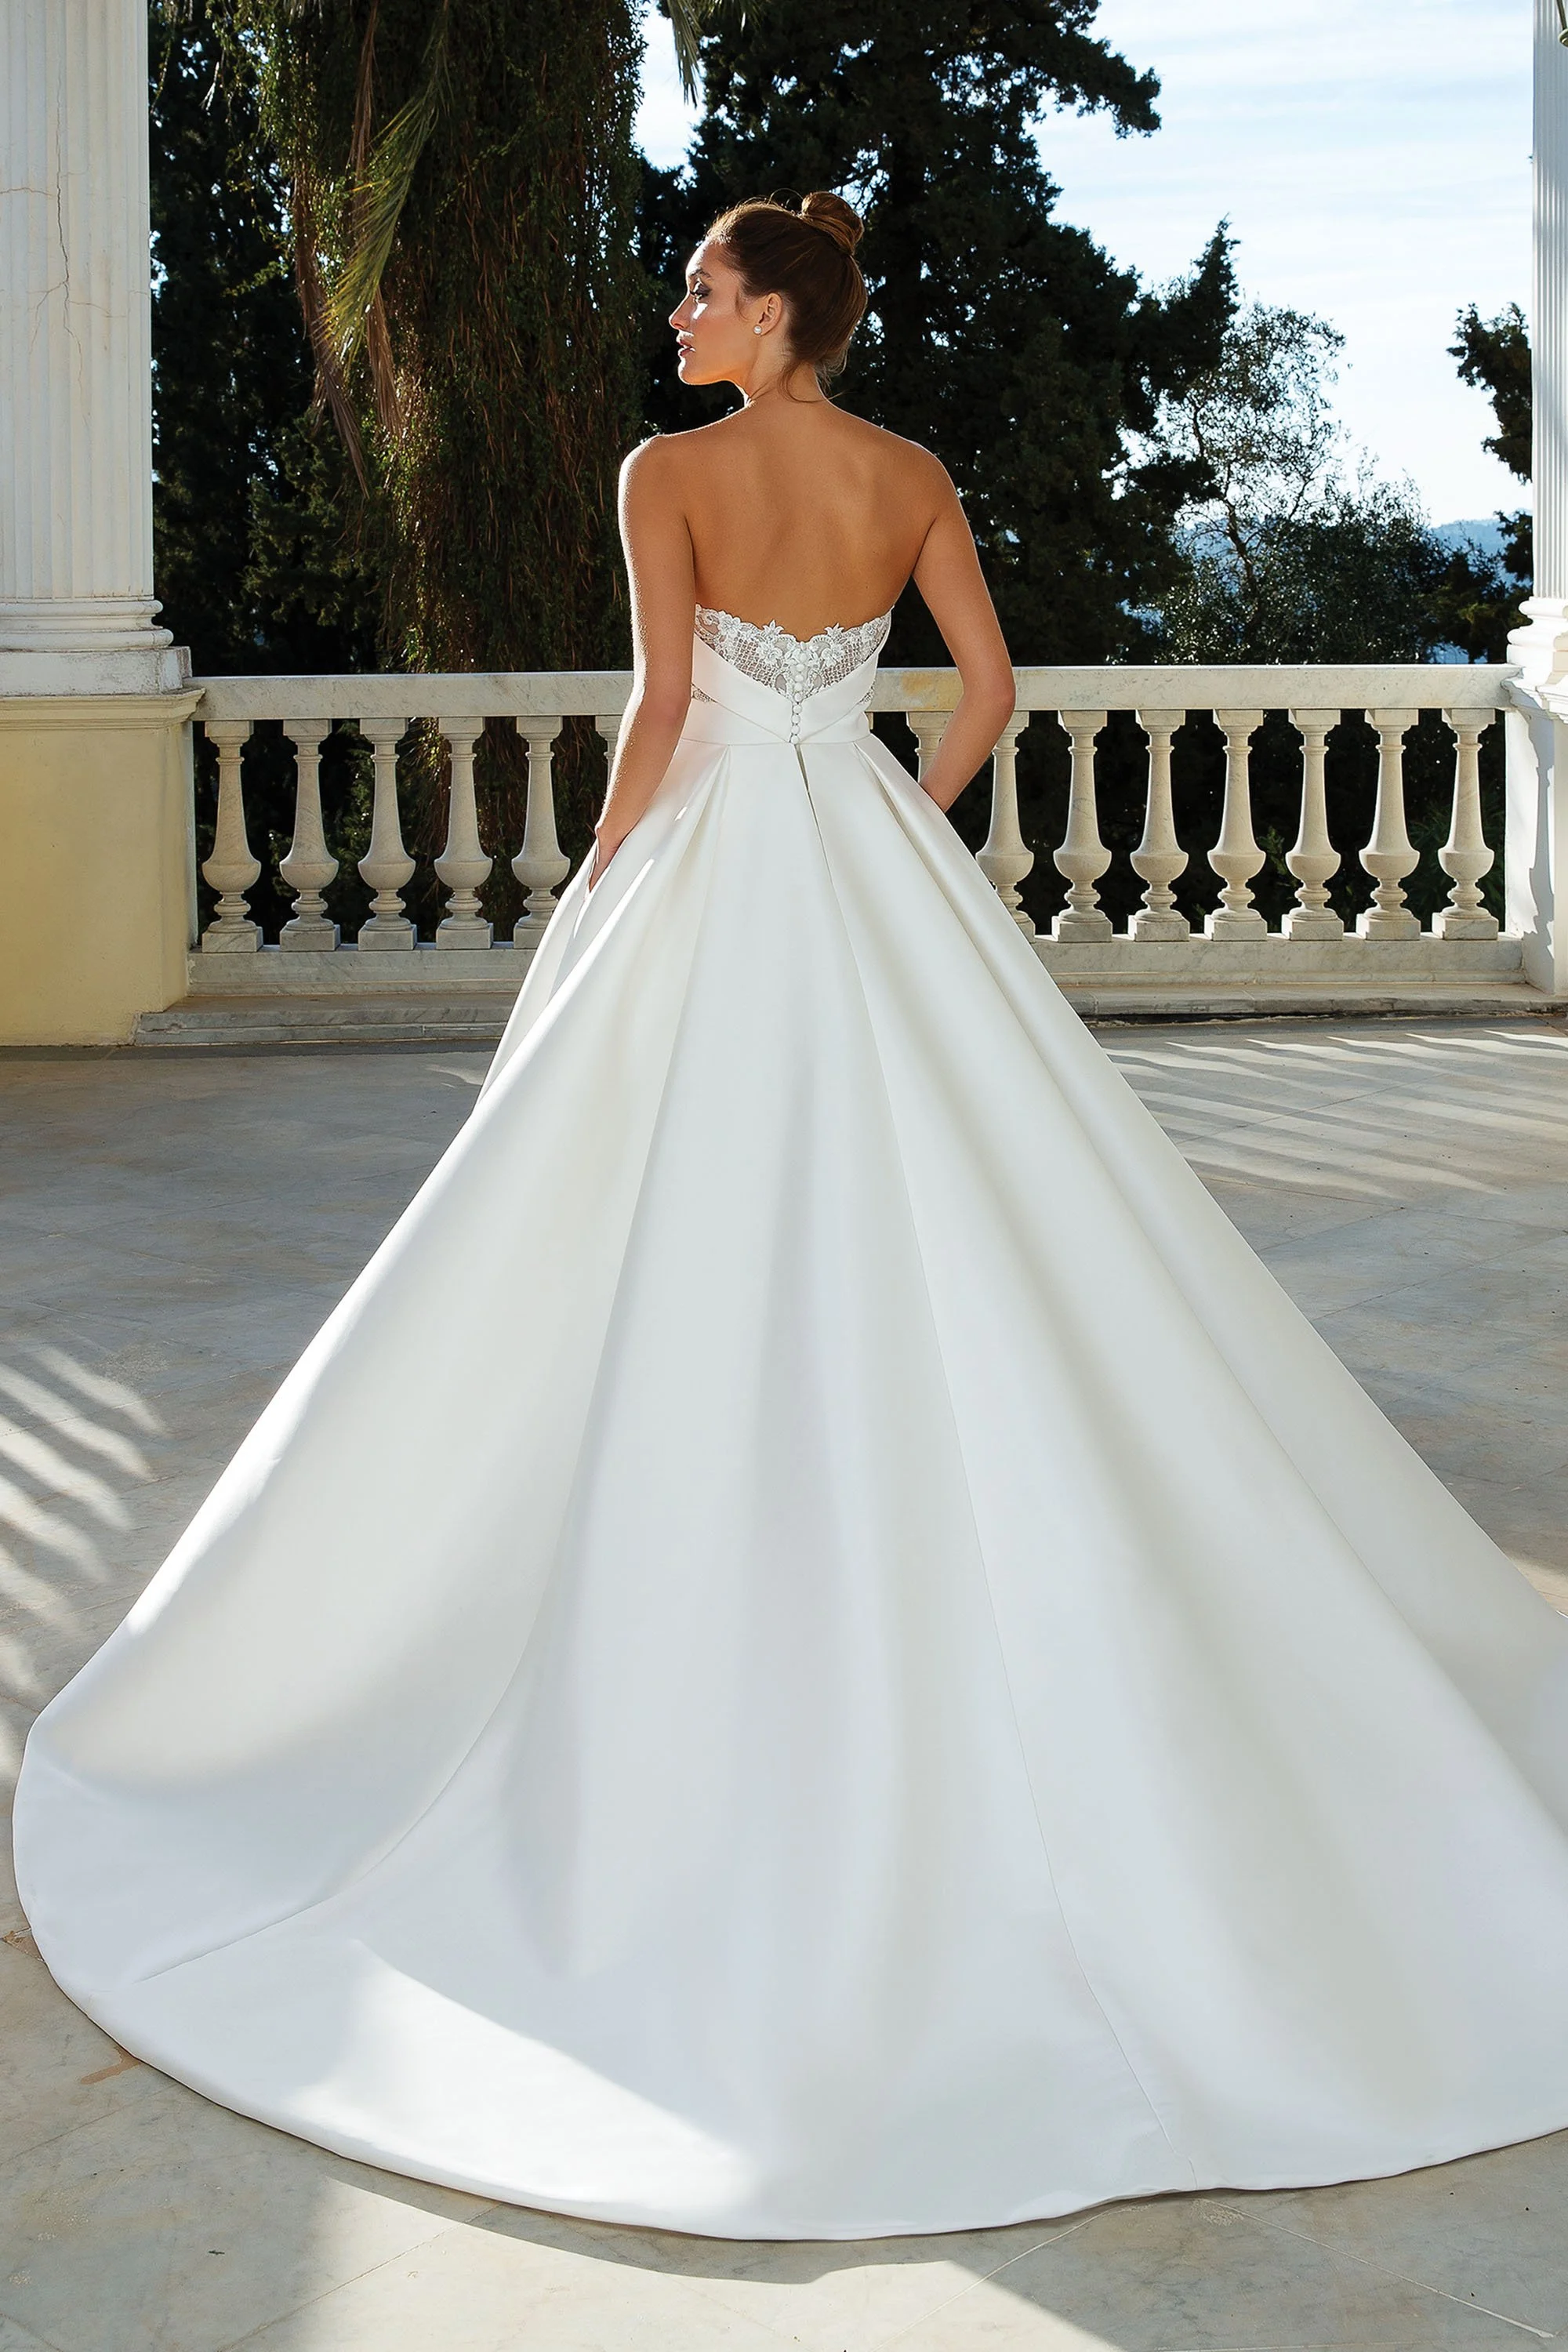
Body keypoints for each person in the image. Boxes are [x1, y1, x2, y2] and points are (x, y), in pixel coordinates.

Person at [14, 192, 1568, 2245]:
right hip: (866, 865)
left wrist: (595, 891)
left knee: (635, 1220)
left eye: (700, 291)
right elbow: (988, 689)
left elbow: (663, 711)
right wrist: (896, 831)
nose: (674, 315)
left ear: (771, 316)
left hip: (722, 861)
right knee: (999, 1235)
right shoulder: (909, 473)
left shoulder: (674, 473)